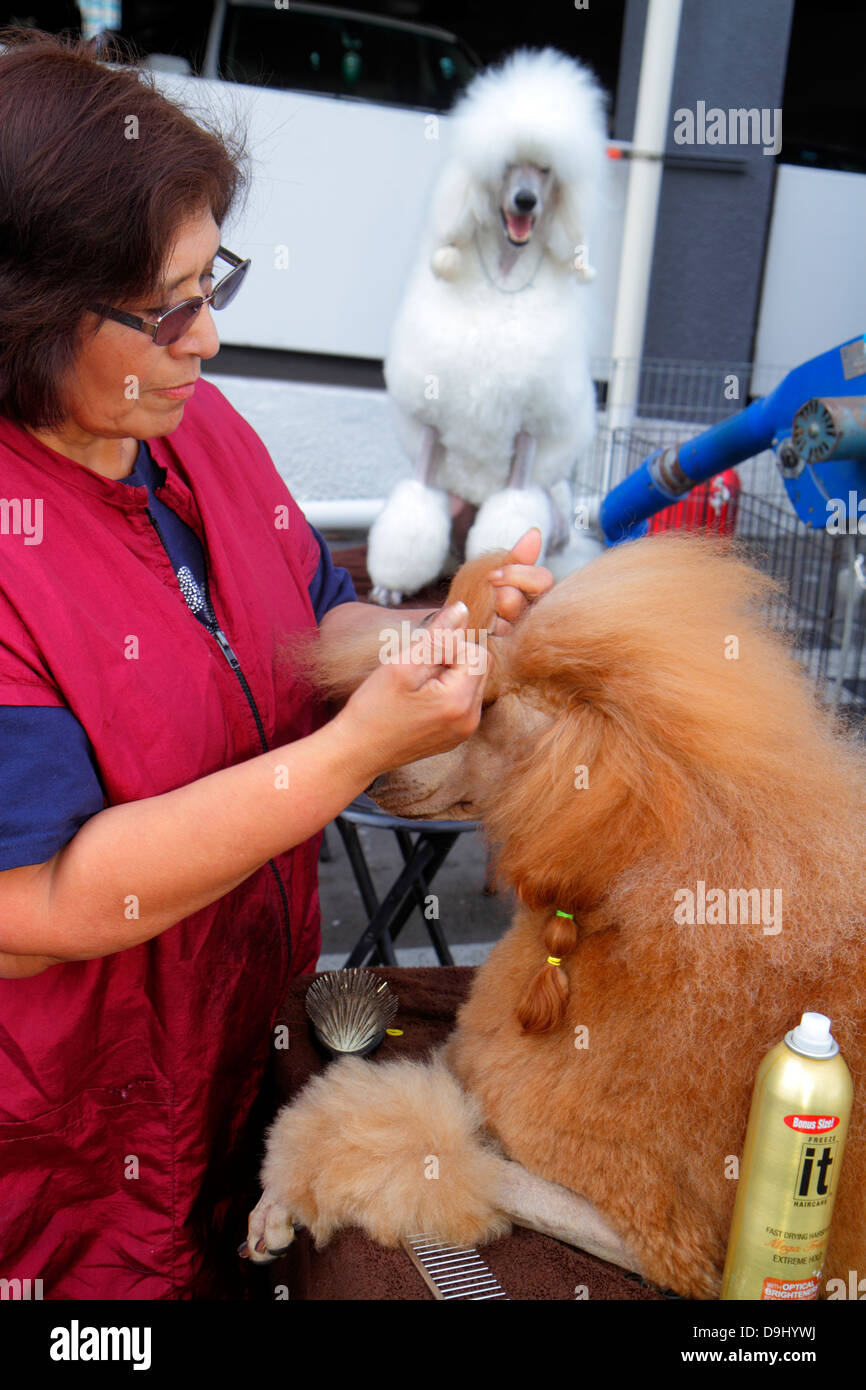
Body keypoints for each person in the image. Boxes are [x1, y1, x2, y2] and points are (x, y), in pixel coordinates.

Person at [0, 29, 553, 1299]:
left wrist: (440, 632)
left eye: (216, 283)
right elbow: (38, 911)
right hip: (64, 1148)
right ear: (24, 314)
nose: (207, 341)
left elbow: (304, 628)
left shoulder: (197, 434)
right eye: (164, 307)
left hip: (229, 1041)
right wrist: (358, 748)